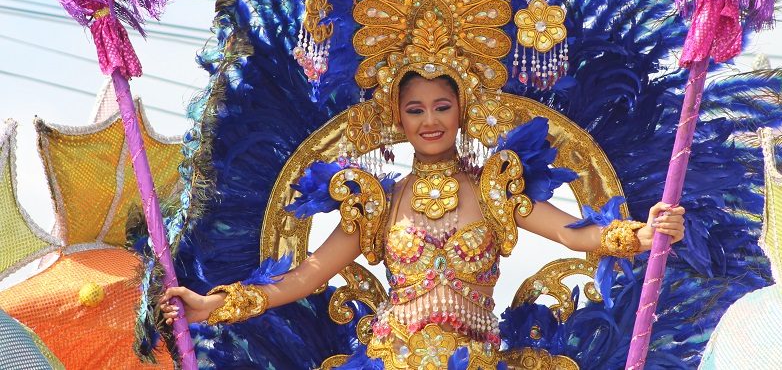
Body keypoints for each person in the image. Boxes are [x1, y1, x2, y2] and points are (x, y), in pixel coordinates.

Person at [160, 71, 685, 367]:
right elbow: (307, 275)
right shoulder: (376, 201)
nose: (429, 120)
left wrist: (643, 233)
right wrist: (213, 305)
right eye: (415, 109)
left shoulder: (497, 183)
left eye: (441, 106)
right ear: (398, 117)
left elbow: (576, 233)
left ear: (461, 111)